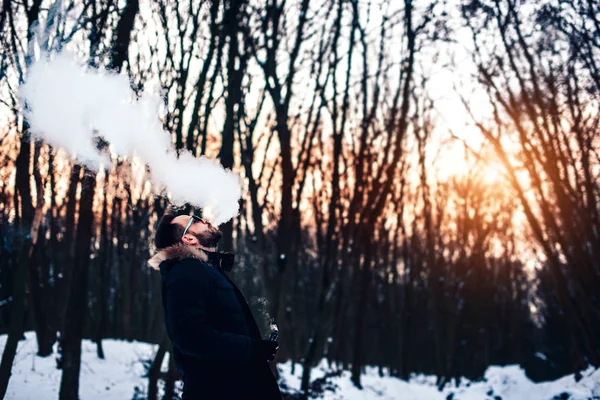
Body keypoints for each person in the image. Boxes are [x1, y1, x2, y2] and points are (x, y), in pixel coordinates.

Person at [149, 212, 282, 400]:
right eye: (194, 220)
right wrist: (250, 350)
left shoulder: (204, 270)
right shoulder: (186, 270)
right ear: (188, 238)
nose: (204, 219)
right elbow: (191, 337)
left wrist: (257, 349)